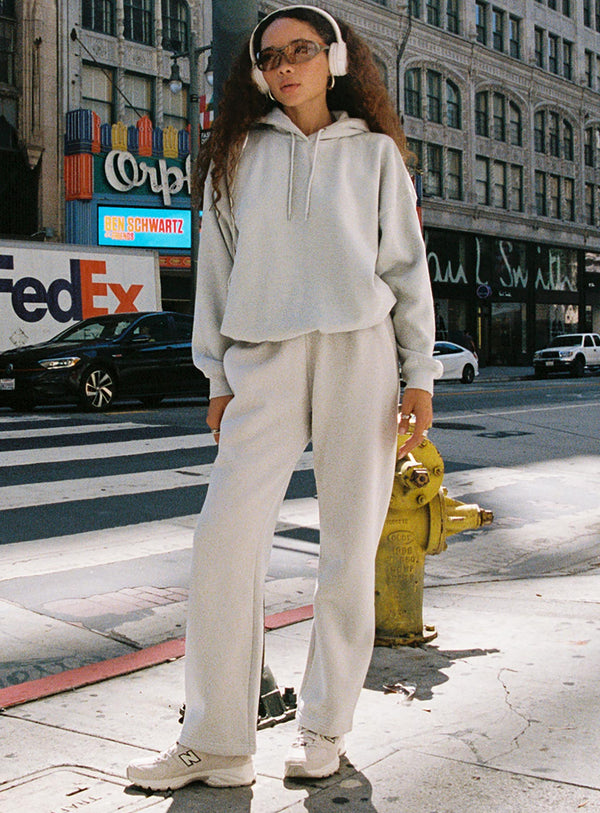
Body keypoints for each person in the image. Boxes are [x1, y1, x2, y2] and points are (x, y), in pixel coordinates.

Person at [127, 4, 441, 792]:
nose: (285, 66)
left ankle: (325, 728)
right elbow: (217, 274)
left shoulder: (376, 155)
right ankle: (217, 742)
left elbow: (407, 271)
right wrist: (218, 377)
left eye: (301, 50)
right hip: (262, 359)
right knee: (222, 543)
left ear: (334, 59)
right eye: (269, 57)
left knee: (347, 551)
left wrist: (419, 376)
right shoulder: (236, 154)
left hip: (359, 356)